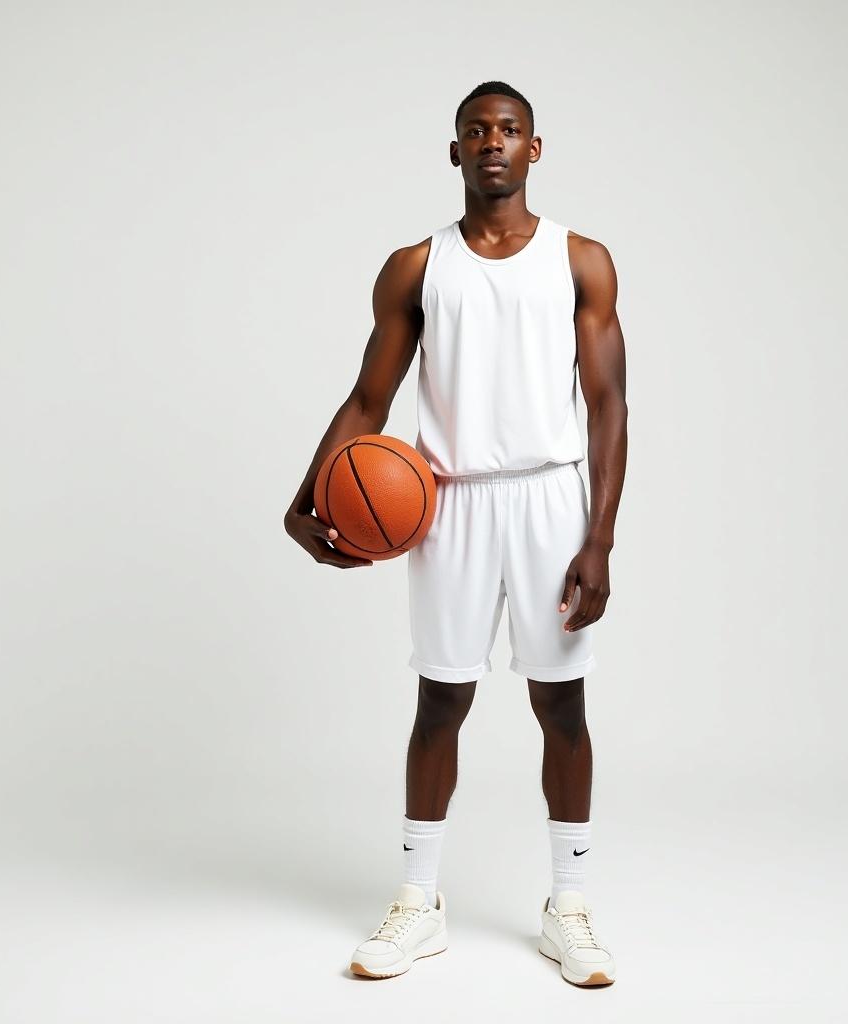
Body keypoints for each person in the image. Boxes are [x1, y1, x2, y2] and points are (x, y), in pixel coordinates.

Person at [283, 80, 628, 987]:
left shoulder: (581, 259)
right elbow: (370, 398)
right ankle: (418, 902)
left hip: (552, 501)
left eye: (509, 129)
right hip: (452, 505)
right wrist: (307, 495)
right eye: (476, 129)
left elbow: (608, 406)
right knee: (442, 701)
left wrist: (599, 539)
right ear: (454, 152)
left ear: (535, 148)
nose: (492, 141)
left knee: (562, 705)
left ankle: (570, 906)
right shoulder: (415, 266)